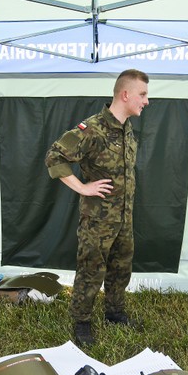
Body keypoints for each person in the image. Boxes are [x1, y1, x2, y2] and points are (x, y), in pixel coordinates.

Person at [44, 69, 150, 345]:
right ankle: (82, 322)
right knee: (91, 270)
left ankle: (115, 312)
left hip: (123, 219)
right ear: (125, 94)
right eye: (142, 94)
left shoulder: (127, 130)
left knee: (121, 267)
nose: (146, 101)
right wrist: (82, 187)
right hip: (97, 220)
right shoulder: (92, 129)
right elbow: (54, 156)